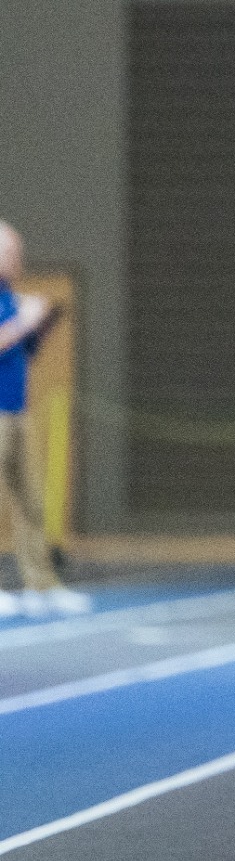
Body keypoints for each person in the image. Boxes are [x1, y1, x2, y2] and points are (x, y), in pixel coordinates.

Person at [0, 223, 82, 619]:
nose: (17, 259)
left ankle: (40, 583)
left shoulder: (11, 298)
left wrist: (41, 324)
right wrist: (22, 324)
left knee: (30, 499)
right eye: (9, 251)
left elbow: (22, 352)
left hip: (18, 409)